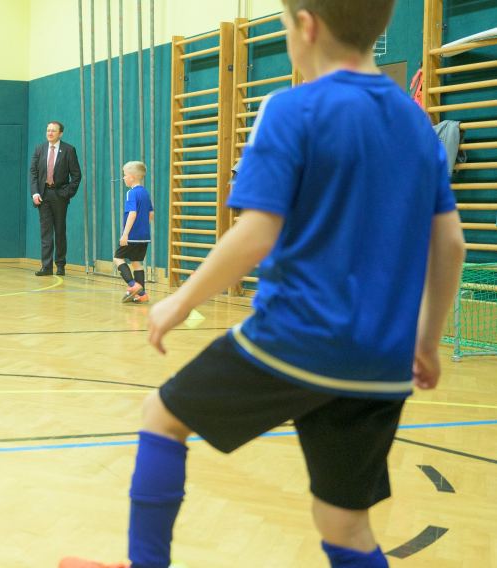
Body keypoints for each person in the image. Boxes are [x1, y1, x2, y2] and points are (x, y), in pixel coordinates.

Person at [60, 1, 466, 567]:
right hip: (381, 361)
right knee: (346, 525)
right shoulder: (416, 124)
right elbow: (450, 245)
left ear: (307, 26)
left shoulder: (291, 108)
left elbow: (255, 234)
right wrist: (426, 341)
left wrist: (180, 300)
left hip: (294, 341)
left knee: (161, 415)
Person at [30, 121, 82, 276]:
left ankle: (60, 265)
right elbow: (33, 172)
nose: (50, 133)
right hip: (43, 195)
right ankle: (46, 267)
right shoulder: (39, 149)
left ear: (60, 133)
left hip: (60, 195)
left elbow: (76, 175)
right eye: (48, 130)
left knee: (60, 231)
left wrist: (67, 193)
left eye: (53, 130)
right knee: (46, 232)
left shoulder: (68, 150)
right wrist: (35, 193)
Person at [114, 161, 155, 304]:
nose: (123, 178)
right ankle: (142, 295)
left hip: (132, 235)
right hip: (144, 236)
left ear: (131, 177)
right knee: (137, 263)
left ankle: (133, 285)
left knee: (118, 258)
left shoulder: (131, 193)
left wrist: (125, 234)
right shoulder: (145, 192)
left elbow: (132, 213)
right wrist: (142, 226)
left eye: (124, 175)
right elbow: (151, 214)